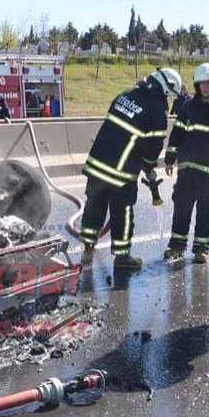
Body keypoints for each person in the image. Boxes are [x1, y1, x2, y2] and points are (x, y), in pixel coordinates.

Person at [80, 68, 182, 269]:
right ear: (165, 90)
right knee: (122, 213)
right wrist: (149, 167)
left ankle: (87, 251)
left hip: (97, 164)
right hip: (120, 172)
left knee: (94, 207)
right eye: (169, 96)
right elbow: (153, 148)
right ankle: (122, 257)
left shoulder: (125, 95)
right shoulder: (157, 111)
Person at [163, 63, 209, 263]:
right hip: (188, 170)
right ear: (197, 85)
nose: (205, 87)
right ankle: (176, 247)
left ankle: (201, 249)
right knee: (182, 209)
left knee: (206, 211)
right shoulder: (188, 107)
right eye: (202, 83)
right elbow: (177, 133)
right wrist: (169, 158)